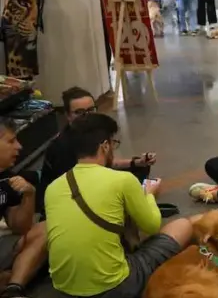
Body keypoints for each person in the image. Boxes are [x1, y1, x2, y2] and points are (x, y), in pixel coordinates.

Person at [45, 113, 194, 298]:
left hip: (65, 294)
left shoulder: (53, 187)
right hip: (114, 289)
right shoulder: (122, 180)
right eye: (113, 144)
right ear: (105, 145)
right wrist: (149, 194)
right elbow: (152, 225)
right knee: (183, 226)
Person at [39, 87, 156, 216]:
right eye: (79, 112)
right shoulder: (61, 147)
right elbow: (73, 186)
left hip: (91, 181)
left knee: (139, 170)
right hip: (70, 198)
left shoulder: (95, 131)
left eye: (91, 110)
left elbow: (107, 163)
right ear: (68, 116)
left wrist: (137, 162)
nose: (87, 116)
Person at [0, 118, 47, 298]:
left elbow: (20, 227)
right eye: (11, 141)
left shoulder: (6, 178)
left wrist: (29, 195)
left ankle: (12, 290)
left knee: (48, 228)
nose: (19, 146)